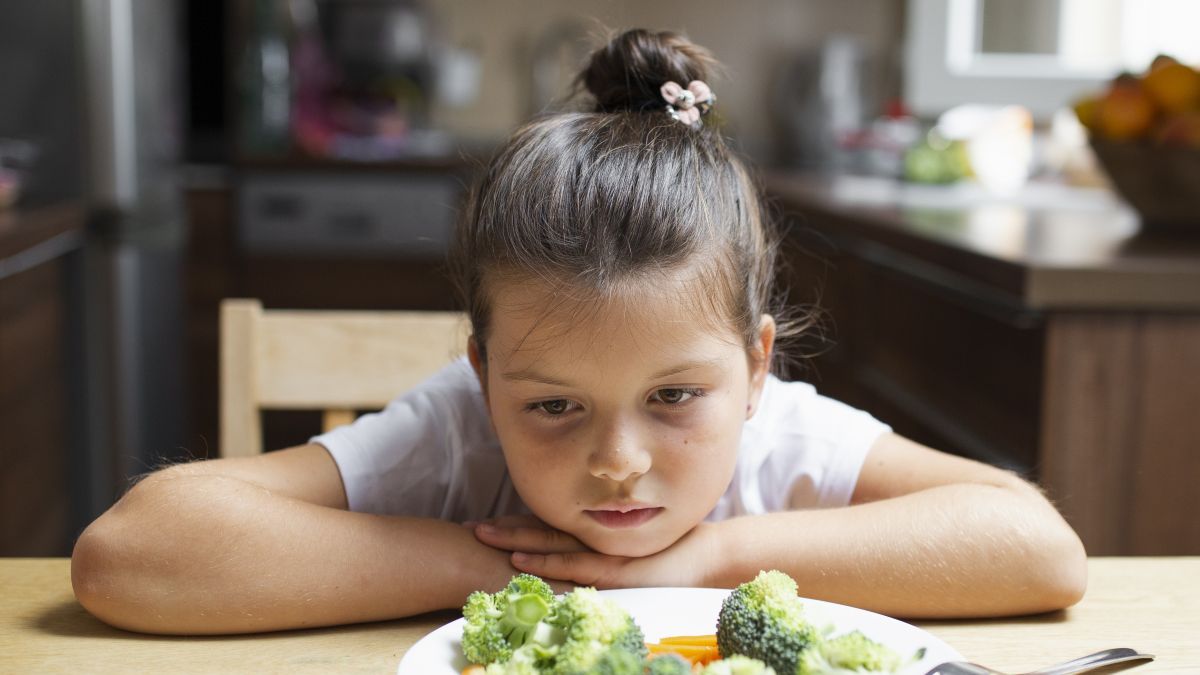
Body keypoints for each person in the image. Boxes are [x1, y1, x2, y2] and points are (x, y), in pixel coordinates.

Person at [71, 29, 1086, 636]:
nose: (617, 462)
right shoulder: (455, 433)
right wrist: (507, 569)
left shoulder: (789, 442)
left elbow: (1038, 550)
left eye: (675, 398)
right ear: (480, 374)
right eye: (552, 405)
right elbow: (132, 555)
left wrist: (704, 560)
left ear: (756, 366)